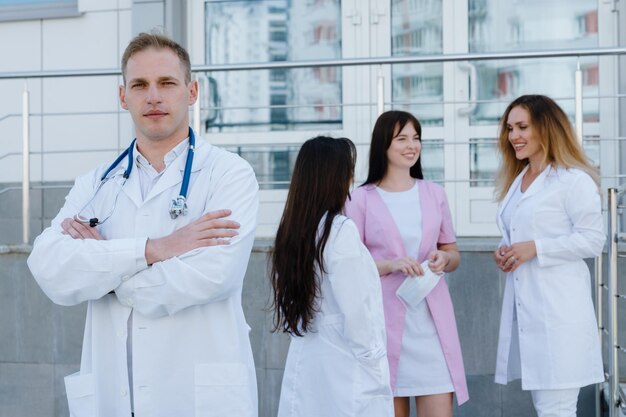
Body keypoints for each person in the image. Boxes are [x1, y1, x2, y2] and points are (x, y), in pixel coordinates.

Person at [27, 32, 259, 417]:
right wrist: (155, 249)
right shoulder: (96, 182)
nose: (153, 96)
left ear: (192, 91)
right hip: (115, 395)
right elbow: (49, 268)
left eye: (167, 83)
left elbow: (215, 275)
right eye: (139, 85)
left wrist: (103, 270)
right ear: (123, 97)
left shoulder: (229, 174)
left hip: (196, 398)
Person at [344, 110, 469, 417]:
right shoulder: (359, 199)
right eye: (402, 139)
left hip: (432, 327)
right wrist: (391, 264)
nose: (412, 145)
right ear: (383, 145)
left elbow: (453, 253)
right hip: (383, 326)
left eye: (416, 138)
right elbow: (348, 266)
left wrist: (444, 259)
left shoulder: (434, 193)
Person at [492, 94, 605, 417]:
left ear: (547, 128)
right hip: (529, 313)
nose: (514, 136)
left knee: (557, 410)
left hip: (559, 315)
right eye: (510, 128)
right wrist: (507, 251)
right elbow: (517, 233)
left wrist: (535, 248)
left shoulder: (573, 181)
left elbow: (593, 240)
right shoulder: (519, 180)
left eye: (523, 127)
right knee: (548, 408)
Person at [272, 136, 394, 417]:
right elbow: (357, 311)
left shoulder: (294, 231)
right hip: (346, 367)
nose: (351, 178)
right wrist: (373, 359)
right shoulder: (338, 231)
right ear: (334, 177)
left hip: (309, 362)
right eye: (347, 170)